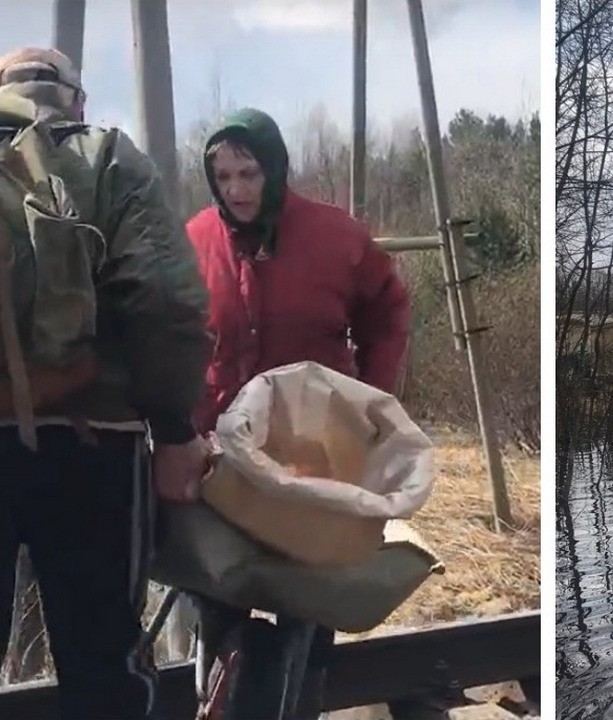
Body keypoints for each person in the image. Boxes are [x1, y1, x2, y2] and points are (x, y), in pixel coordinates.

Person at [0, 48, 212, 719]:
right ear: (77, 101)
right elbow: (166, 300)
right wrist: (174, 428)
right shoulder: (107, 157)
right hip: (93, 446)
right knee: (105, 665)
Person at [184, 106, 411, 718]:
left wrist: (372, 402)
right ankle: (221, 691)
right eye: (224, 176)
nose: (236, 190)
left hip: (313, 457)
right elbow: (173, 335)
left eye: (248, 174)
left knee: (310, 596)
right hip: (221, 457)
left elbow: (388, 312)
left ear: (274, 169)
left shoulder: (334, 238)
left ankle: (303, 697)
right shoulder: (197, 240)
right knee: (217, 586)